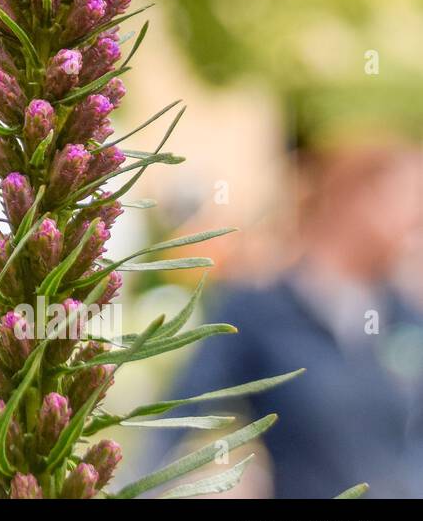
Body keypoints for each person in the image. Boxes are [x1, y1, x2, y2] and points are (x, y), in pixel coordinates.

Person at [158, 138, 423, 498]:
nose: (416, 222)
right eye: (410, 200)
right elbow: (174, 420)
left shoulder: (407, 318)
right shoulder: (258, 312)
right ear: (358, 199)